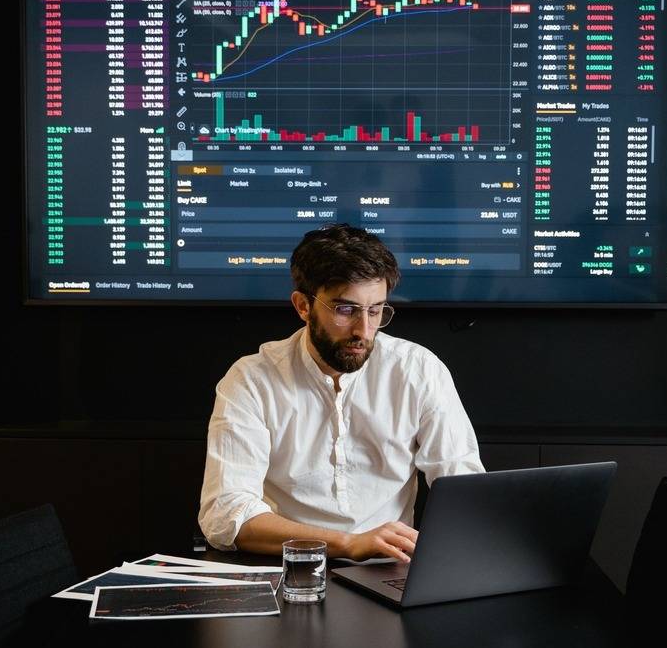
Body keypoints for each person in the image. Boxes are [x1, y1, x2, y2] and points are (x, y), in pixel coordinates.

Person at [199, 224, 484, 562]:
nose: (363, 331)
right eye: (345, 310)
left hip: (391, 571)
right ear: (303, 306)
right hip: (288, 569)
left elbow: (465, 493)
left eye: (376, 310)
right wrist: (349, 543)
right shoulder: (251, 379)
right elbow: (224, 515)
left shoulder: (418, 369)